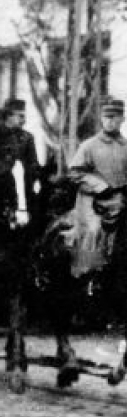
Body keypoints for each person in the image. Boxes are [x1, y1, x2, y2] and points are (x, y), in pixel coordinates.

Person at [68, 97, 127, 282]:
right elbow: (75, 172)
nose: (109, 121)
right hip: (94, 204)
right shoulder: (89, 146)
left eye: (114, 117)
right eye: (105, 117)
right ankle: (88, 275)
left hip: (123, 201)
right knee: (94, 231)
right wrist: (99, 186)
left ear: (122, 119)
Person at [1, 99, 38, 392]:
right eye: (18, 116)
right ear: (7, 116)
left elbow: (32, 170)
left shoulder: (28, 139)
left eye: (25, 116)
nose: (23, 120)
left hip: (22, 205)